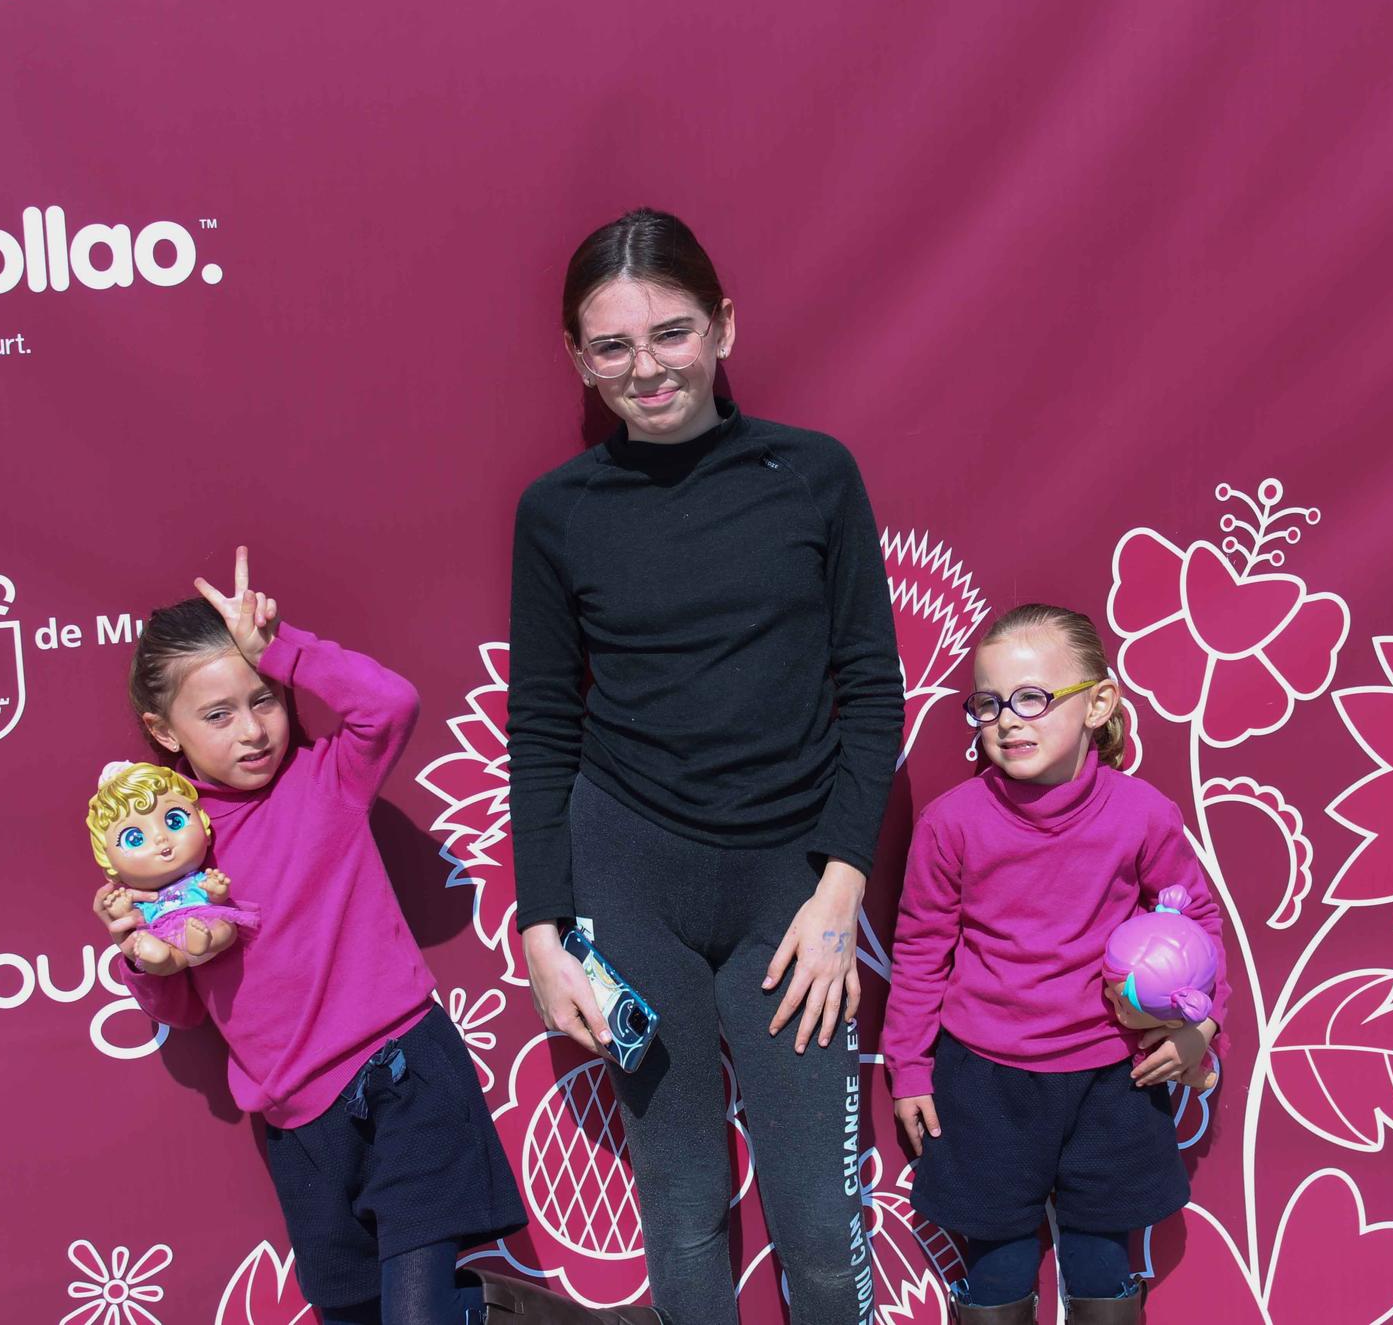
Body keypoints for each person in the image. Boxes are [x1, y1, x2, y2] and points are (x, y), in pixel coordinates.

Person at [508, 208, 905, 1325]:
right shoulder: (555, 513)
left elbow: (869, 691)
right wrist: (542, 929)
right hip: (630, 881)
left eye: (671, 332)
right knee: (679, 1214)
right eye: (613, 346)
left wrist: (839, 890)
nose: (647, 367)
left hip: (792, 895)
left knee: (822, 1228)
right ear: (577, 360)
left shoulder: (814, 476)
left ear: (723, 327)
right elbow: (540, 725)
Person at [96, 549, 655, 1325]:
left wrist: (282, 647)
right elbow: (185, 1010)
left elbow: (389, 705)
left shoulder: (325, 778)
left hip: (402, 1074)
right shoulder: (166, 850)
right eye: (218, 714)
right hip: (299, 1125)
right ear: (163, 729)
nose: (254, 730)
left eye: (266, 698)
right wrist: (141, 957)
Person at [881, 605, 1231, 1324]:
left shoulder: (1142, 813)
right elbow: (920, 949)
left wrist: (1203, 1033)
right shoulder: (951, 822)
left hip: (1113, 1079)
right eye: (988, 704)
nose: (1008, 720)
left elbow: (1196, 923)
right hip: (985, 1082)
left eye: (1033, 698)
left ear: (1098, 703)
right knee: (999, 1260)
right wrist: (909, 1067)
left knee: (1102, 1256)